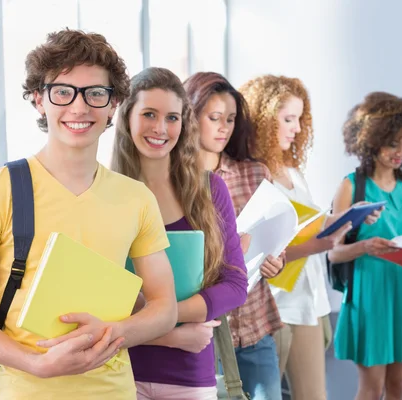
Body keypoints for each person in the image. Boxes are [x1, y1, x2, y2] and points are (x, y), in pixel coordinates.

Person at [0, 30, 178, 399]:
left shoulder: (136, 198)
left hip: (113, 391)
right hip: (25, 388)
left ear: (114, 103)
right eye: (63, 91)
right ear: (39, 99)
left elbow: (164, 307)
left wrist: (113, 334)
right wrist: (34, 363)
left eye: (95, 94)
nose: (79, 108)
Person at [111, 67, 248, 400]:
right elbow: (95, 295)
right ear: (127, 118)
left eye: (172, 117)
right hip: (116, 372)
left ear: (184, 123)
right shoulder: (104, 192)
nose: (160, 128)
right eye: (149, 114)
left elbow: (234, 286)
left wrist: (162, 315)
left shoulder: (209, 189)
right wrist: (171, 332)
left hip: (189, 375)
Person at [240, 75, 353, 400]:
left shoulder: (292, 172)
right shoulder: (248, 173)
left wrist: (339, 221)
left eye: (300, 120)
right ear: (262, 119)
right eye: (288, 119)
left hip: (309, 302)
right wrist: (320, 244)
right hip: (271, 306)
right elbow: (257, 252)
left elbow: (306, 223)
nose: (297, 128)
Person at [184, 71, 286, 400]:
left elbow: (273, 240)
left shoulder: (254, 173)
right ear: (190, 116)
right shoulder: (172, 182)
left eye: (229, 119)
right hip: (204, 330)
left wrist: (277, 261)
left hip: (255, 325)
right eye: (214, 118)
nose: (224, 127)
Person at [328, 92, 402, 400]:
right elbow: (333, 252)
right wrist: (365, 247)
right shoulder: (350, 186)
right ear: (372, 139)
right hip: (370, 293)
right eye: (393, 144)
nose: (401, 152)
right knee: (371, 390)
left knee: (400, 385)